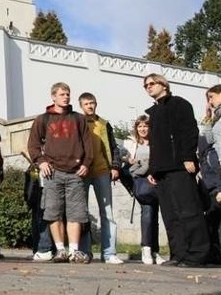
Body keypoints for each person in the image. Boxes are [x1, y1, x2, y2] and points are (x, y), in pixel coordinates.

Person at [144, 73, 209, 267]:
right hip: (161, 171)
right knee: (170, 215)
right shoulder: (153, 113)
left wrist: (189, 157)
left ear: (163, 85)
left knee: (189, 211)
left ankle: (197, 255)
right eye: (145, 85)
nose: (148, 87)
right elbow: (155, 145)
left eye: (152, 83)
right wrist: (152, 170)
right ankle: (179, 254)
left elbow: (189, 131)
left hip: (180, 167)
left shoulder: (179, 104)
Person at [27, 82, 93, 264]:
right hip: (52, 173)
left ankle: (73, 251)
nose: (66, 97)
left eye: (68, 94)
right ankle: (60, 250)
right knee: (53, 212)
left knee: (76, 213)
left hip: (75, 173)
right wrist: (41, 161)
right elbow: (32, 145)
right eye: (62, 94)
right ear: (53, 96)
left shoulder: (78, 118)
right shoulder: (43, 119)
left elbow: (88, 144)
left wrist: (86, 163)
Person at [77, 92, 124, 264]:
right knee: (81, 213)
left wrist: (116, 166)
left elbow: (113, 146)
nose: (90, 106)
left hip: (102, 171)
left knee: (107, 212)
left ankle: (109, 252)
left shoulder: (104, 124)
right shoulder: (77, 122)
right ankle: (84, 251)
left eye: (92, 103)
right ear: (81, 106)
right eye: (86, 104)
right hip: (82, 172)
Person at [122, 115, 165, 265]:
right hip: (140, 182)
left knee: (154, 214)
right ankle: (147, 248)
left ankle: (154, 250)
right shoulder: (131, 144)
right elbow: (126, 164)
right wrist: (130, 161)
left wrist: (148, 167)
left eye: (145, 126)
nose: (142, 129)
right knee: (147, 211)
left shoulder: (156, 143)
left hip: (156, 181)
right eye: (140, 126)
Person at [199, 85, 221, 263]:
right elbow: (208, 140)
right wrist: (208, 118)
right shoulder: (217, 118)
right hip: (214, 174)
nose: (210, 102)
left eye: (212, 97)